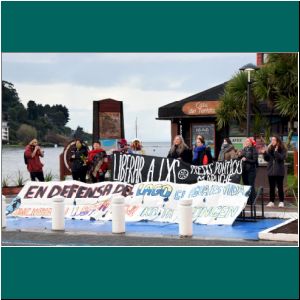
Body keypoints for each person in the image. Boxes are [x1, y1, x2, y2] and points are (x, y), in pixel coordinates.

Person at [262, 135, 287, 208]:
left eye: (274, 140)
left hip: (279, 171)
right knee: (271, 187)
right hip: (271, 171)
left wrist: (276, 152)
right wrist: (264, 153)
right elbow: (267, 159)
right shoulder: (270, 149)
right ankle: (271, 201)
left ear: (277, 141)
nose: (272, 141)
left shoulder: (282, 149)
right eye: (271, 140)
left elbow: (281, 158)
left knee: (280, 187)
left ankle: (281, 201)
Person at [237, 138, 258, 204]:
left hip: (251, 170)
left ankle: (252, 200)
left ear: (251, 143)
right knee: (245, 185)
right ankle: (247, 200)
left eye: (247, 141)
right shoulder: (244, 149)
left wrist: (246, 160)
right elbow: (240, 158)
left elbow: (254, 161)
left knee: (250, 185)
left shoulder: (254, 150)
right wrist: (239, 156)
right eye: (245, 141)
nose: (246, 142)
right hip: (244, 170)